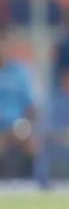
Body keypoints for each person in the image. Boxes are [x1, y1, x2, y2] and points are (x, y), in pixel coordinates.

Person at [0, 32, 35, 179]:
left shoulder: (20, 72)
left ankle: (27, 184)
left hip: (18, 125)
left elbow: (31, 106)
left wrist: (27, 124)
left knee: (32, 145)